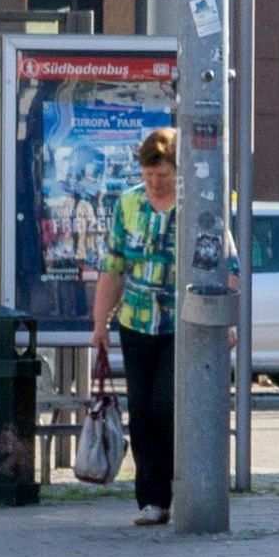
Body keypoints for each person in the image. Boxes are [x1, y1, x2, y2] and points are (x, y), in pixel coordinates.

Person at [103, 130, 179, 527]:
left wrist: (227, 323)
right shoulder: (128, 204)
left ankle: (179, 484)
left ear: (176, 169)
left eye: (162, 174)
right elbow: (113, 266)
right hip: (135, 322)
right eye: (148, 175)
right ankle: (152, 499)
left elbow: (225, 265)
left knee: (167, 405)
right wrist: (100, 322)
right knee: (143, 411)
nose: (154, 182)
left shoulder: (196, 203)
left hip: (179, 325)